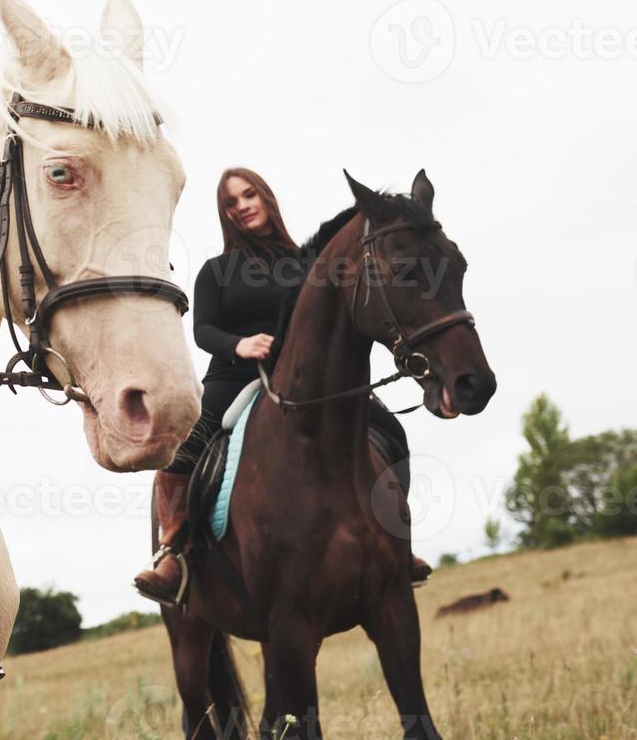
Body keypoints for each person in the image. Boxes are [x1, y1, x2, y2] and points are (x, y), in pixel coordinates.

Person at [132, 168, 430, 607]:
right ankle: (173, 550)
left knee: (391, 432)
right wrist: (241, 344)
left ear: (266, 197)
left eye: (249, 194)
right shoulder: (217, 270)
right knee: (184, 449)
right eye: (232, 203)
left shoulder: (310, 261)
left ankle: (395, 539)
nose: (243, 206)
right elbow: (203, 331)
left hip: (311, 381)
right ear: (226, 215)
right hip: (235, 377)